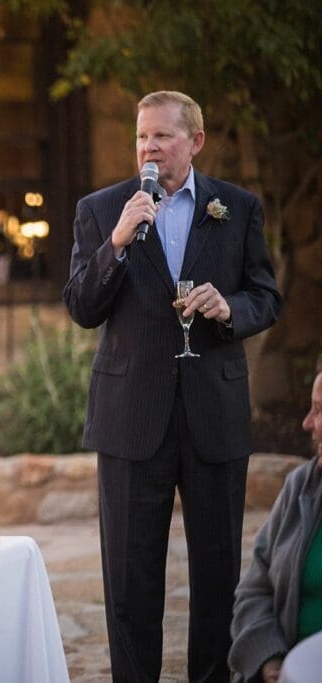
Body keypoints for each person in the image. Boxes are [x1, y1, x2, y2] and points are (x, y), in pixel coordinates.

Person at [63, 90, 282, 681]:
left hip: (214, 413)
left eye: (161, 137)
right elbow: (82, 306)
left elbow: (266, 296)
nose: (148, 149)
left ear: (195, 141)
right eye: (141, 137)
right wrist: (116, 240)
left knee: (218, 581)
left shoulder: (236, 207)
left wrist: (228, 306)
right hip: (132, 417)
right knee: (130, 585)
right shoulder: (103, 208)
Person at [230, 366, 322, 682]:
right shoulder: (301, 487)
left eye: (320, 410)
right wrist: (270, 658)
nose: (307, 423)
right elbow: (254, 590)